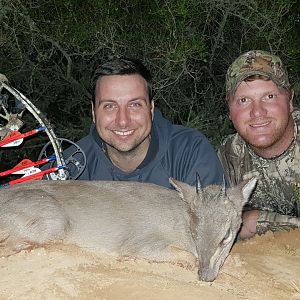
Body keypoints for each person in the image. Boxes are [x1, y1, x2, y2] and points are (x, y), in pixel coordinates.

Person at [68, 57, 224, 188]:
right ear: (94, 113)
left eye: (135, 105)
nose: (123, 121)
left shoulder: (189, 151)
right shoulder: (71, 165)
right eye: (109, 106)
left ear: (151, 108)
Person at [218, 50, 300, 239]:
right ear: (229, 111)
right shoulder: (227, 157)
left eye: (269, 97)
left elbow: (244, 225)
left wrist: (257, 221)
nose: (257, 112)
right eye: (244, 100)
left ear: (290, 101)